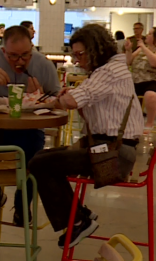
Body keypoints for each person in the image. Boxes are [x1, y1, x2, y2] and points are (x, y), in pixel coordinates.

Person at [30, 25, 143, 249]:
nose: (78, 60)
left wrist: (58, 100)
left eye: (81, 54)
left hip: (114, 156)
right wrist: (69, 98)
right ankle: (80, 217)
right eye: (75, 55)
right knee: (41, 157)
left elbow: (73, 102)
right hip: (106, 148)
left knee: (39, 163)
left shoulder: (110, 71)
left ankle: (78, 220)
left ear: (96, 49)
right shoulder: (108, 70)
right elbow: (88, 105)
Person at [0, 25, 61, 226]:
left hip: (30, 131)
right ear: (3, 51)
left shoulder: (43, 65)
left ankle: (22, 205)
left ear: (32, 48)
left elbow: (58, 102)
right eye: (13, 56)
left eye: (25, 55)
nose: (20, 61)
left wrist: (41, 96)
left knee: (34, 164)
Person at [126, 26, 156, 131]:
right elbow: (128, 61)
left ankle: (149, 123)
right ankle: (127, 122)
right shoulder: (142, 48)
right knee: (121, 91)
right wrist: (129, 50)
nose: (147, 36)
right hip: (139, 81)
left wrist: (144, 48)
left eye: (150, 34)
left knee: (151, 95)